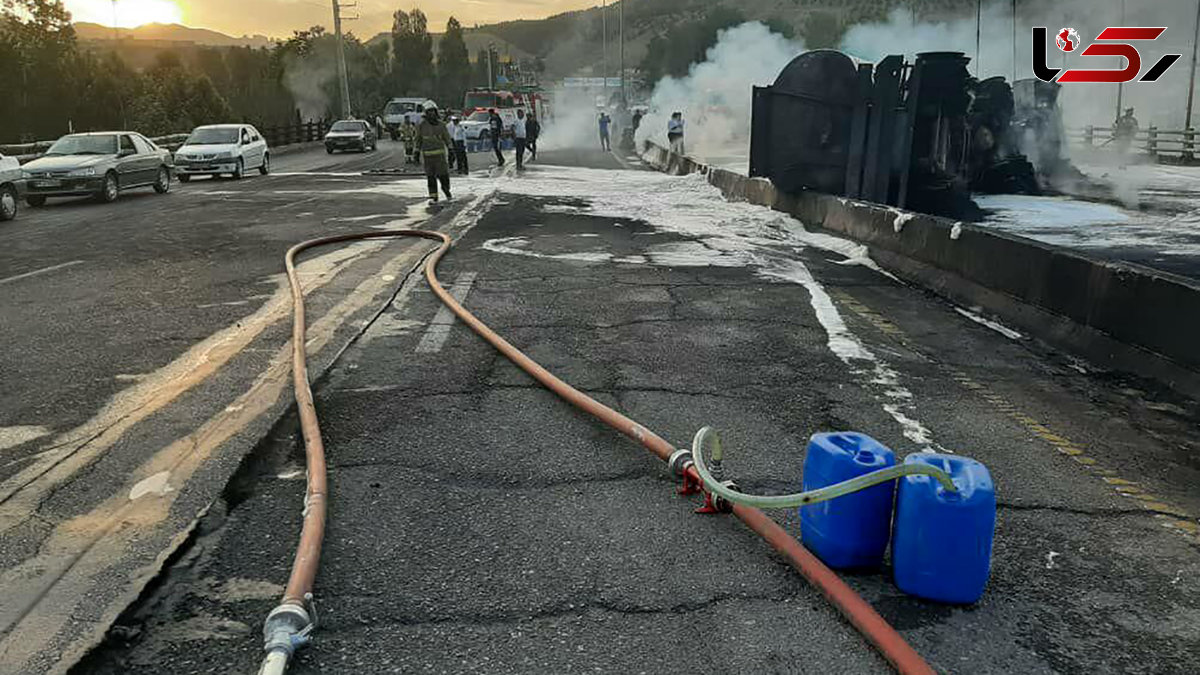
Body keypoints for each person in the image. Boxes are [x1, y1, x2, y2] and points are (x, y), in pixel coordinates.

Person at [416, 102, 453, 203]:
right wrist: (416, 152)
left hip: (440, 158)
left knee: (443, 176)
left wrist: (451, 150)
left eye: (433, 111)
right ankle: (433, 196)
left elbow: (447, 138)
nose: (431, 114)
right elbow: (418, 139)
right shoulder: (422, 125)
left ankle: (446, 191)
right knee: (430, 178)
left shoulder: (441, 125)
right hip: (428, 158)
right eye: (429, 112)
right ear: (426, 113)